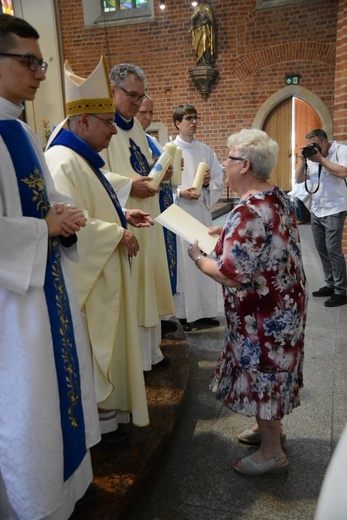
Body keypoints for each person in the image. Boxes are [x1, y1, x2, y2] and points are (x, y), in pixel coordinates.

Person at [0, 14, 100, 519]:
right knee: (27, 400)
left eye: (42, 62)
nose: (40, 73)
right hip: (12, 304)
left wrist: (64, 212)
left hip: (45, 287)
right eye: (29, 62)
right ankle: (34, 501)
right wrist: (45, 228)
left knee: (55, 385)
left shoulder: (20, 129)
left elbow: (42, 194)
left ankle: (67, 488)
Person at [188, 129, 307, 476]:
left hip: (263, 314)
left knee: (265, 374)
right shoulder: (275, 195)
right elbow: (269, 238)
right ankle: (270, 428)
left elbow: (230, 274)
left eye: (229, 159)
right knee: (271, 373)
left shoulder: (248, 210)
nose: (223, 164)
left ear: (246, 165)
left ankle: (272, 452)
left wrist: (198, 257)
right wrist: (224, 233)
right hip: (284, 303)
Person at [45, 57, 150, 442]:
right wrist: (116, 233)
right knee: (92, 353)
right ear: (84, 121)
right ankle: (99, 423)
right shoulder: (61, 160)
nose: (112, 130)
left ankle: (108, 416)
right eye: (107, 122)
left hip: (104, 270)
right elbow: (69, 223)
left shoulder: (81, 158)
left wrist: (123, 214)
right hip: (88, 283)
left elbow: (91, 206)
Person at [101, 63, 175, 371]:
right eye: (132, 95)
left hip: (148, 215)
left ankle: (151, 353)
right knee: (134, 287)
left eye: (140, 96)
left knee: (149, 283)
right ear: (113, 91)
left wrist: (160, 172)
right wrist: (129, 184)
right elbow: (93, 174)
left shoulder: (135, 128)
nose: (137, 103)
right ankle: (136, 360)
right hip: (125, 217)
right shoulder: (102, 125)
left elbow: (142, 165)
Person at [173, 104, 224, 331]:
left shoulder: (206, 151)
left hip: (201, 211)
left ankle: (204, 312)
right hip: (180, 212)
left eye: (195, 117)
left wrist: (206, 184)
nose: (193, 122)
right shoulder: (169, 150)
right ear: (177, 123)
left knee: (203, 254)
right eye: (188, 118)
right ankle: (183, 315)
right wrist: (178, 193)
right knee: (184, 262)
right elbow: (162, 184)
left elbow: (218, 181)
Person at [295, 128, 347, 307]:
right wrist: (303, 160)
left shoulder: (340, 151)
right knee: (322, 248)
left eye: (316, 144)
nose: (314, 148)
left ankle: (341, 291)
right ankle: (331, 284)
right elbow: (299, 179)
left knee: (333, 249)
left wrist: (321, 160)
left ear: (325, 142)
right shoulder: (312, 157)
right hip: (317, 209)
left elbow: (342, 172)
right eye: (310, 145)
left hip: (334, 208)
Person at [136, 95, 178, 303]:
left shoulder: (151, 141)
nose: (148, 117)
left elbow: (159, 173)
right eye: (143, 112)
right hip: (141, 211)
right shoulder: (118, 138)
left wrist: (167, 175)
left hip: (159, 208)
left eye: (151, 112)